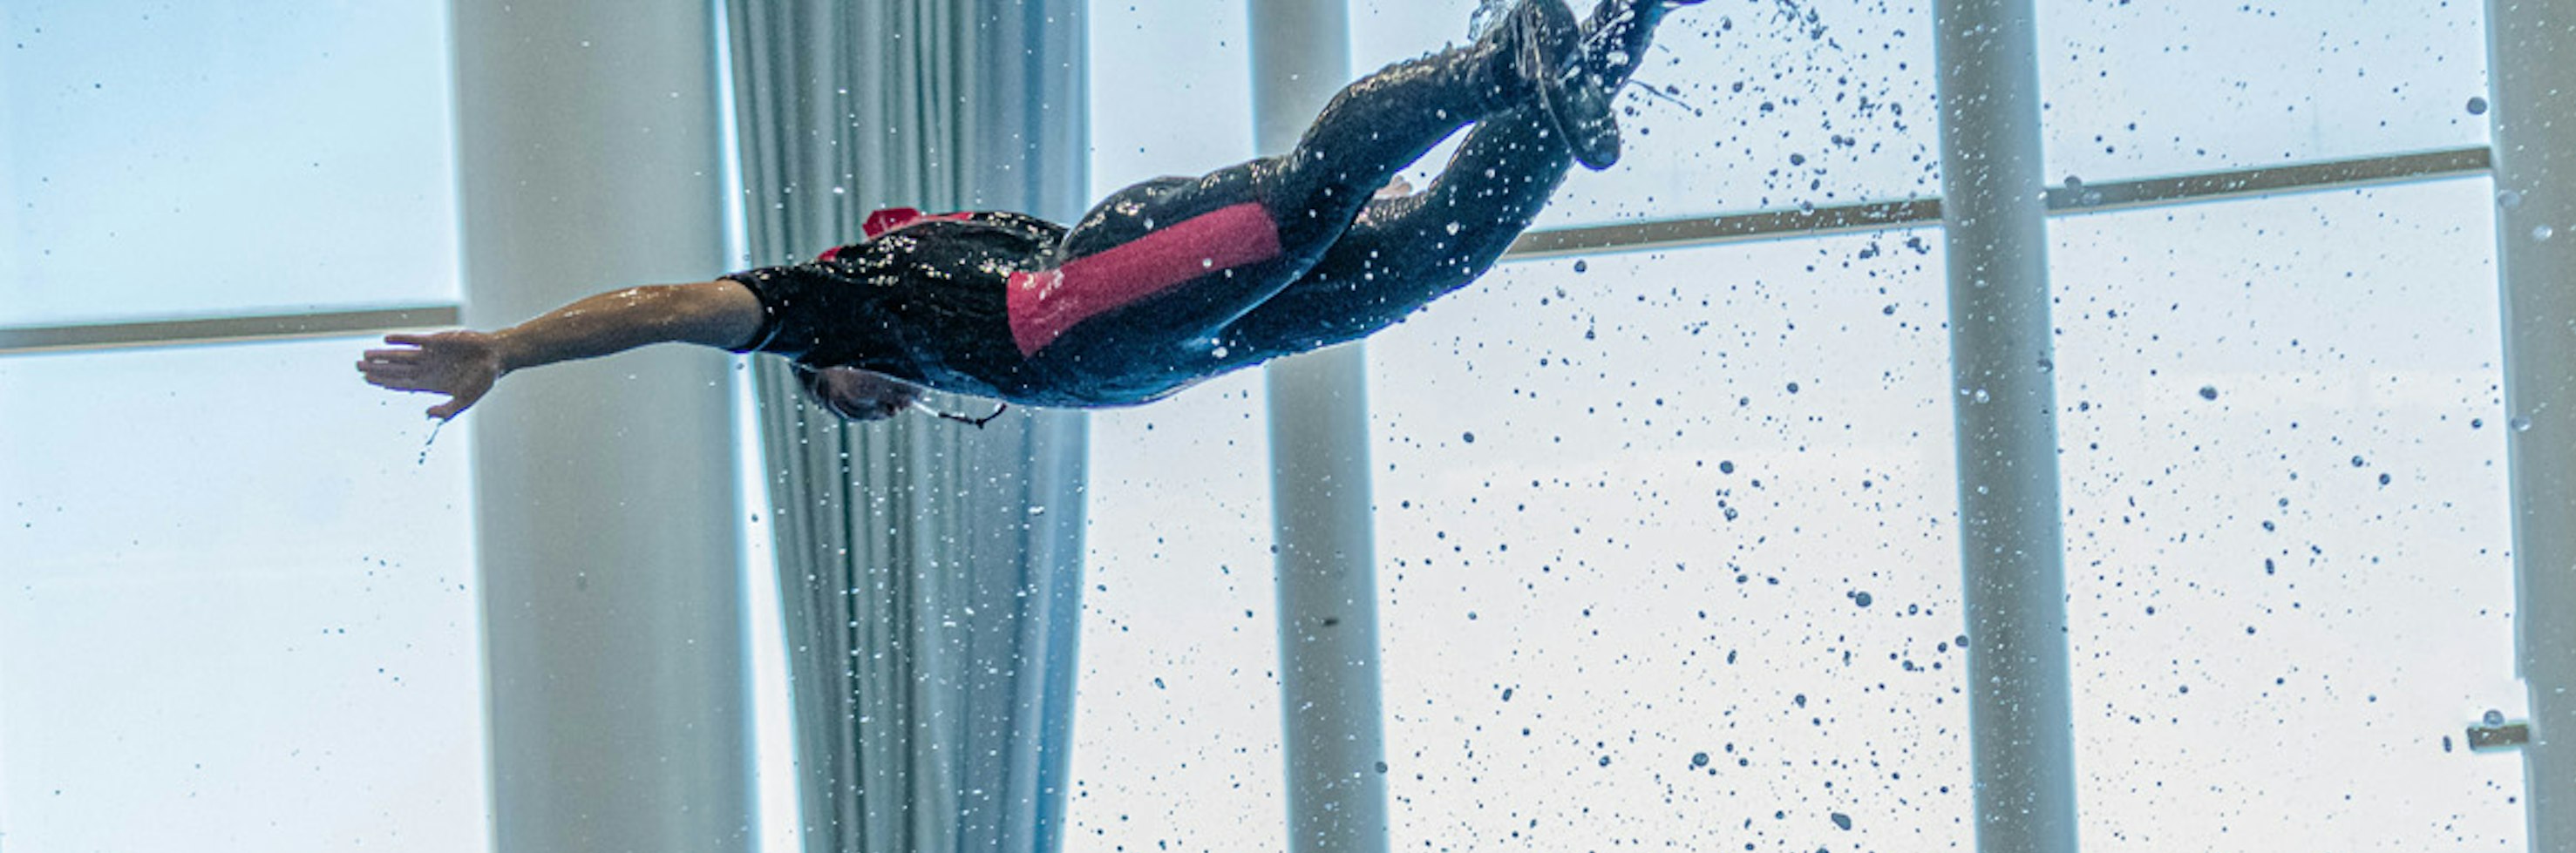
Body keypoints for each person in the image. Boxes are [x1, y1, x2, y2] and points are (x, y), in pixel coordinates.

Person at [359, 0, 1690, 427]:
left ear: (831, 363)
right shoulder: (907, 301)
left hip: (1087, 314)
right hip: (1185, 342)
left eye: (843, 398)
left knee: (1304, 200)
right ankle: (1619, 22)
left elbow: (674, 309)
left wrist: (514, 348)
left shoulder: (833, 300)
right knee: (1427, 260)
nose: (876, 407)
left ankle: (1501, 60)